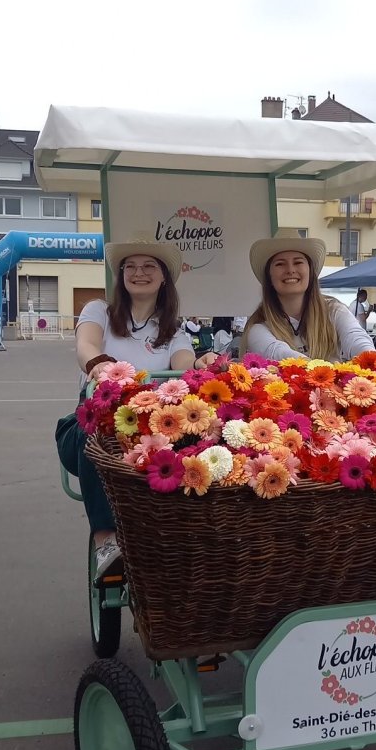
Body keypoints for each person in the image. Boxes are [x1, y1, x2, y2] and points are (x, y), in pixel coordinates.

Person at [56, 240, 215, 580]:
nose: (139, 273)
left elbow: (185, 365)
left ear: (164, 278)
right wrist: (97, 364)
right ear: (121, 275)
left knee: (201, 440)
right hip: (93, 432)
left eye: (149, 267)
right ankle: (105, 539)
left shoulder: (173, 332)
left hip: (150, 435)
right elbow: (86, 344)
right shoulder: (98, 310)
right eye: (131, 266)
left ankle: (190, 537)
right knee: (97, 431)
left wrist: (201, 365)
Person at [243, 228, 375, 361]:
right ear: (269, 277)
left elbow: (355, 338)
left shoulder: (333, 310)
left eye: (298, 262)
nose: (290, 270)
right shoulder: (257, 326)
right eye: (280, 264)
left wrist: (373, 360)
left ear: (310, 272)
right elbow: (278, 353)